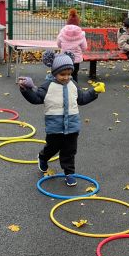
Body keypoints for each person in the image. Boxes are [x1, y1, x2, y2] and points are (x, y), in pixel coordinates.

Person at [17, 51, 104, 187]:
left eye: (69, 74)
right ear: (54, 73)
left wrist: (94, 92)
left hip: (72, 126)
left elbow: (82, 99)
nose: (66, 77)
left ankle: (69, 173)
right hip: (54, 126)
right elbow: (36, 99)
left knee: (69, 151)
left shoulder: (73, 84)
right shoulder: (48, 86)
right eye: (62, 74)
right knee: (52, 148)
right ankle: (43, 157)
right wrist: (25, 90)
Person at [56, 8, 88, 82]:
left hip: (64, 58)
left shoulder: (62, 32)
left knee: (64, 74)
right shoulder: (81, 34)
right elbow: (84, 47)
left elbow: (58, 44)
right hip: (76, 59)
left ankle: (64, 86)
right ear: (78, 22)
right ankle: (74, 86)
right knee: (74, 74)